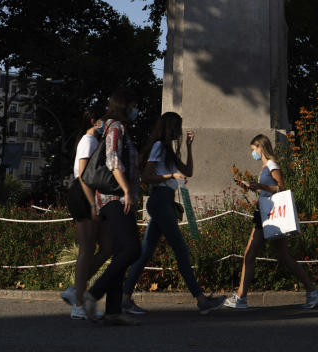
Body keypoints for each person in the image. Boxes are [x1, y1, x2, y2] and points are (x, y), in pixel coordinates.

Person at [119, 112, 225, 316]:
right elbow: (147, 176)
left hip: (164, 201)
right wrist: (171, 175)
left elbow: (189, 171)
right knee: (181, 250)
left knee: (146, 252)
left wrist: (189, 147)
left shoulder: (168, 150)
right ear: (170, 127)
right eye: (178, 126)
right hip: (160, 200)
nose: (180, 130)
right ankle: (201, 300)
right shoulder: (159, 146)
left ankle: (124, 297)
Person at [225, 135, 318, 310]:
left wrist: (260, 187)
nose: (252, 153)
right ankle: (312, 290)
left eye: (253, 149)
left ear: (260, 147)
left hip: (270, 215)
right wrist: (252, 186)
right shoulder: (266, 166)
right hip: (265, 213)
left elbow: (281, 187)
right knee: (282, 256)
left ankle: (241, 298)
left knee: (250, 255)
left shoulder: (271, 165)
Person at [80, 91, 142, 325]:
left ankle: (113, 311)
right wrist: (126, 190)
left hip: (112, 199)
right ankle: (92, 294)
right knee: (132, 250)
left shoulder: (113, 127)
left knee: (120, 252)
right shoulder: (116, 127)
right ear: (124, 106)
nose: (136, 110)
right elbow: (112, 159)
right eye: (134, 105)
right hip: (113, 198)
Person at [60, 105, 113, 319]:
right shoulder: (88, 141)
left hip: (93, 195)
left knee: (108, 246)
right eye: (104, 119)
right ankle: (79, 304)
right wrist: (92, 204)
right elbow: (83, 176)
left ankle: (76, 289)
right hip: (84, 195)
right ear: (94, 120)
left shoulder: (95, 141)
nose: (107, 124)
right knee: (87, 248)